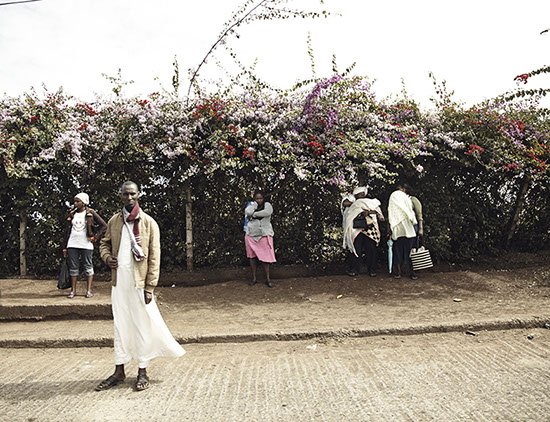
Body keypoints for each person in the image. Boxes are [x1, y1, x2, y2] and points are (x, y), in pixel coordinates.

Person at [96, 181, 185, 392]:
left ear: (139, 195)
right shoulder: (114, 221)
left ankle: (142, 370)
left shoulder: (149, 223)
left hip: (140, 284)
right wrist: (107, 258)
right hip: (119, 283)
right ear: (120, 195)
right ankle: (119, 370)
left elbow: (154, 257)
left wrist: (149, 287)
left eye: (132, 194)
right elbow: (104, 244)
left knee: (142, 325)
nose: (129, 198)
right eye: (125, 194)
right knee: (121, 325)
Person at [62, 193, 107, 299]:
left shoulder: (91, 213)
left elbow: (104, 225)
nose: (76, 203)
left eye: (78, 201)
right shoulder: (71, 214)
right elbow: (66, 232)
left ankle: (89, 290)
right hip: (72, 244)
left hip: (86, 244)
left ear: (84, 202)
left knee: (88, 266)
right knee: (73, 267)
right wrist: (64, 247)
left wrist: (95, 237)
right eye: (75, 201)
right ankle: (73, 291)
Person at [342, 187, 385, 277]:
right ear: (356, 195)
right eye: (359, 193)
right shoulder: (353, 202)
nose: (361, 195)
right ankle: (354, 270)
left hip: (369, 229)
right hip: (356, 229)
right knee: (355, 249)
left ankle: (372, 270)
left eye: (362, 193)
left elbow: (377, 212)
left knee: (371, 250)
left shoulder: (371, 201)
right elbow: (346, 206)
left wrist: (368, 212)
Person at [245, 190, 276, 288]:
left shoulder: (268, 205)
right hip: (251, 235)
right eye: (257, 198)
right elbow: (247, 211)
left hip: (264, 235)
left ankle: (268, 279)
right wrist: (254, 206)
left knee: (266, 259)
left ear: (264, 198)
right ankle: (254, 278)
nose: (259, 200)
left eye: (260, 198)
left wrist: (253, 215)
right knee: (252, 258)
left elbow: (267, 212)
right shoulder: (251, 205)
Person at [387, 183, 418, 279]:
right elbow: (408, 211)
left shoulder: (396, 196)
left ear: (404, 189)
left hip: (398, 227)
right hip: (407, 227)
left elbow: (391, 212)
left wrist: (390, 228)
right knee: (409, 250)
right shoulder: (405, 198)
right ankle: (409, 273)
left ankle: (400, 272)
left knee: (399, 250)